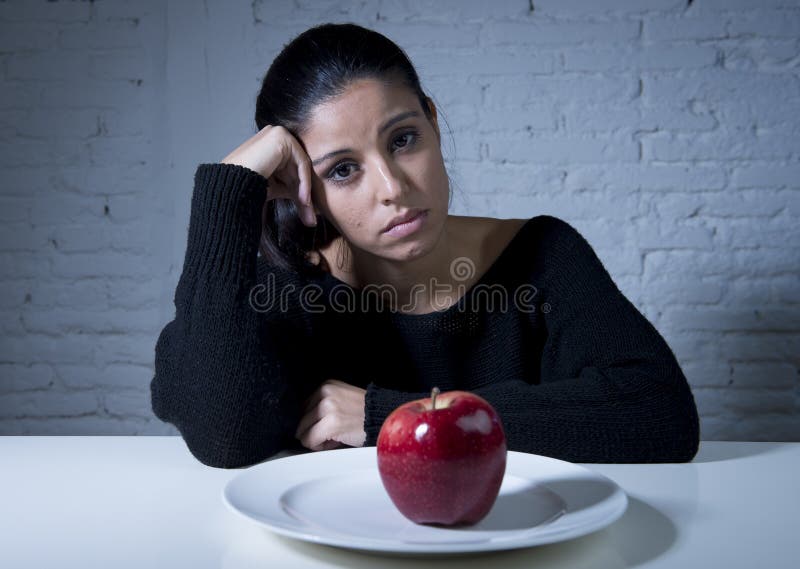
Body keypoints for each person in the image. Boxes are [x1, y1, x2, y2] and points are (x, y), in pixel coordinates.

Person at [150, 22, 700, 469]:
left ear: (433, 123)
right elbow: (222, 434)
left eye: (403, 140)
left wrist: (395, 416)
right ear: (302, 189)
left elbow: (661, 413)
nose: (393, 189)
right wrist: (228, 189)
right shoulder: (292, 287)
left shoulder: (540, 256)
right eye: (343, 170)